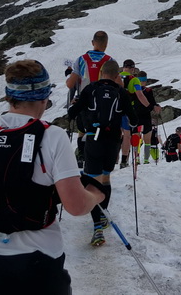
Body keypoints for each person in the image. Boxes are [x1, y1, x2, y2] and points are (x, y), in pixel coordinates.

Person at [0, 59, 105, 295]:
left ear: (9, 95)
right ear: (44, 96)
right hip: (41, 263)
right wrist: (96, 194)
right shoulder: (53, 137)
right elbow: (77, 206)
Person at [68, 59, 136, 246]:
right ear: (116, 76)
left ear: (101, 74)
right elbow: (133, 120)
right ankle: (104, 216)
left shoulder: (89, 89)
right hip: (113, 141)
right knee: (105, 178)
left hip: (93, 139)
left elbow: (72, 113)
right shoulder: (121, 92)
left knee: (93, 182)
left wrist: (76, 105)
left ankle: (97, 227)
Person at [65, 31, 114, 167]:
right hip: (103, 102)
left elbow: (70, 84)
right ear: (106, 44)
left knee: (82, 129)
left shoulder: (81, 60)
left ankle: (81, 155)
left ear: (93, 43)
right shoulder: (110, 61)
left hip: (83, 101)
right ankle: (97, 157)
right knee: (100, 129)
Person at [119, 59, 151, 168]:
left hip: (114, 111)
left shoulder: (116, 77)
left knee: (115, 134)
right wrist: (149, 106)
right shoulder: (134, 80)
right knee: (127, 136)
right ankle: (124, 160)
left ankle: (113, 158)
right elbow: (140, 95)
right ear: (132, 69)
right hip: (127, 111)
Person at [134, 71, 161, 165]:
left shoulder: (134, 89)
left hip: (137, 115)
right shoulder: (147, 90)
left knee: (137, 138)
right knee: (147, 139)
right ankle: (145, 159)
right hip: (145, 116)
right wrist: (155, 106)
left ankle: (137, 158)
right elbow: (152, 102)